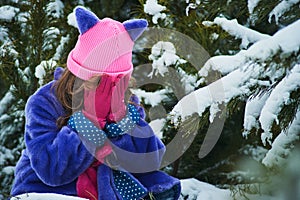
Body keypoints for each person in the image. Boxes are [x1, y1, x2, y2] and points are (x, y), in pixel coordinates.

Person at [11, 6, 181, 200]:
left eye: (118, 83)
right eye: (99, 82)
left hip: (106, 185)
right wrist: (89, 121)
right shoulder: (45, 102)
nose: (108, 91)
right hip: (49, 190)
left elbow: (151, 161)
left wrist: (121, 120)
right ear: (77, 76)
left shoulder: (126, 101)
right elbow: (51, 171)